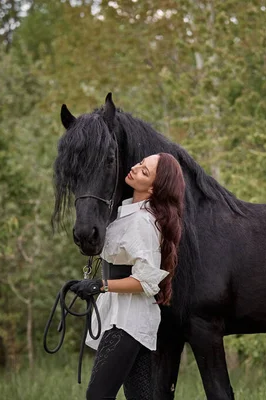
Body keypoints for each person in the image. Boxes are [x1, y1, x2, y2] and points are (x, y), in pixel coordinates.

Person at [69, 152, 185, 400]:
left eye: (144, 171)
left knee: (98, 396)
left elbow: (145, 281)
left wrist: (100, 286)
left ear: (154, 188)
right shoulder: (128, 212)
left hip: (127, 322)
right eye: (141, 163)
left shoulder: (142, 222)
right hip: (129, 319)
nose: (135, 168)